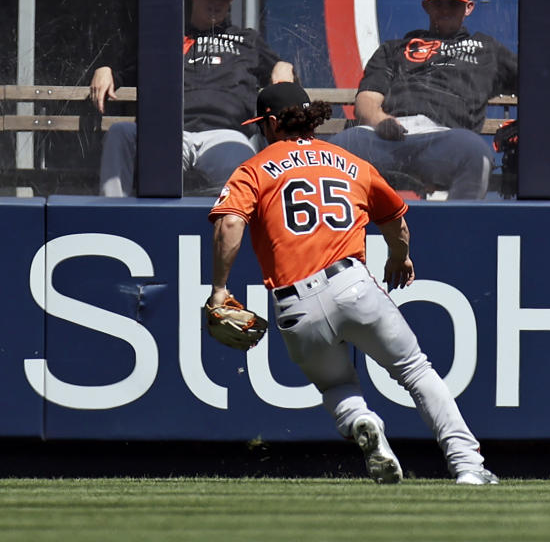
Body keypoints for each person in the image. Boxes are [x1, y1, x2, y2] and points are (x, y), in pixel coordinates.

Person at [207, 82, 498, 484]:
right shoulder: (350, 161)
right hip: (352, 285)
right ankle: (468, 467)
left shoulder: (254, 167)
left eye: (263, 124)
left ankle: (361, 419)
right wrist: (400, 258)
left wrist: (219, 289)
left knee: (336, 385)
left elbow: (231, 222)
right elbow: (395, 220)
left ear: (272, 123)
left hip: (294, 305)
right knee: (416, 371)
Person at [329, 0, 550, 199]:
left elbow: (540, 81)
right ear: (426, 7)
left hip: (442, 138)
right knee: (332, 154)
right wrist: (381, 121)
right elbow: (367, 99)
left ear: (469, 7)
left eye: (454, 4)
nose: (446, 10)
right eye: (439, 4)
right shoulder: (396, 48)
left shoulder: (485, 49)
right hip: (387, 135)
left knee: (474, 152)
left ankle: (459, 239)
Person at [90, 0, 294, 196]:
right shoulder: (166, 38)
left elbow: (285, 79)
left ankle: (236, 231)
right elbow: (127, 72)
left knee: (243, 174)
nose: (215, 2)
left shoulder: (247, 40)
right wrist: (106, 70)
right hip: (168, 132)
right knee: (120, 133)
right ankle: (115, 218)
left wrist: (283, 65)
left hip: (227, 135)